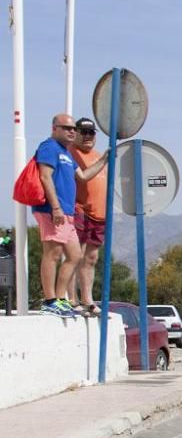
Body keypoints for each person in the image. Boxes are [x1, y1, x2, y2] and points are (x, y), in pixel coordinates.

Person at [32, 114, 108, 317]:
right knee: (53, 253)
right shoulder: (49, 147)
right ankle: (50, 300)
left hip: (67, 212)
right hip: (52, 210)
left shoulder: (65, 152)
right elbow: (45, 176)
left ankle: (61, 299)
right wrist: (55, 206)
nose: (71, 131)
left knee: (75, 255)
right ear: (54, 128)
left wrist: (104, 159)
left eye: (73, 128)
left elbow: (83, 175)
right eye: (67, 128)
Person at [68, 118, 107, 316]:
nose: (87, 136)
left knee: (91, 258)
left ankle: (88, 299)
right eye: (83, 132)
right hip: (80, 209)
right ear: (75, 133)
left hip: (99, 215)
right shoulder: (71, 153)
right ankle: (71, 299)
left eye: (91, 132)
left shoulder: (99, 156)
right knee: (75, 255)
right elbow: (81, 176)